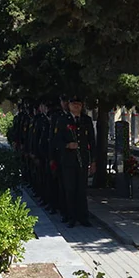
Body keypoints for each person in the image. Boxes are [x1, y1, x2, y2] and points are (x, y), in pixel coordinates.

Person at [55, 95, 96, 227]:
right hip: (68, 161)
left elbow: (92, 141)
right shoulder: (62, 120)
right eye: (73, 104)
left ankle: (83, 217)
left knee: (81, 190)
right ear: (69, 105)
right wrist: (67, 145)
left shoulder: (86, 120)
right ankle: (70, 216)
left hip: (82, 160)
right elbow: (57, 140)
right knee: (70, 189)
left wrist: (93, 161)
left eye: (79, 104)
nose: (76, 106)